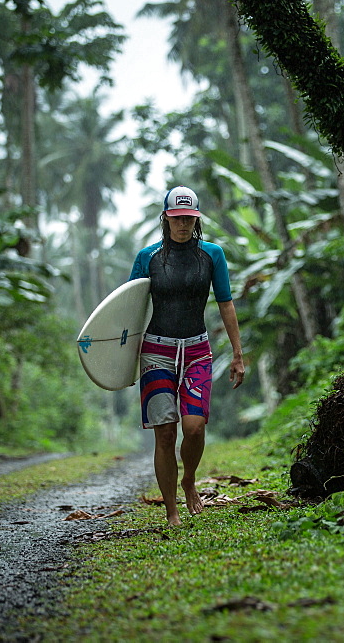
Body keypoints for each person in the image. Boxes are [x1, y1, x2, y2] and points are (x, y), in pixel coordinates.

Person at [128, 185, 245, 526]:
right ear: (165, 218)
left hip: (196, 350)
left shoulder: (212, 255)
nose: (183, 224)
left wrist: (238, 355)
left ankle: (189, 478)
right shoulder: (147, 257)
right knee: (165, 432)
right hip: (156, 351)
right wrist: (122, 358)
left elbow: (226, 303)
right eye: (177, 218)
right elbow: (130, 307)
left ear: (197, 219)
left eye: (189, 218)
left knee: (193, 428)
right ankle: (171, 510)